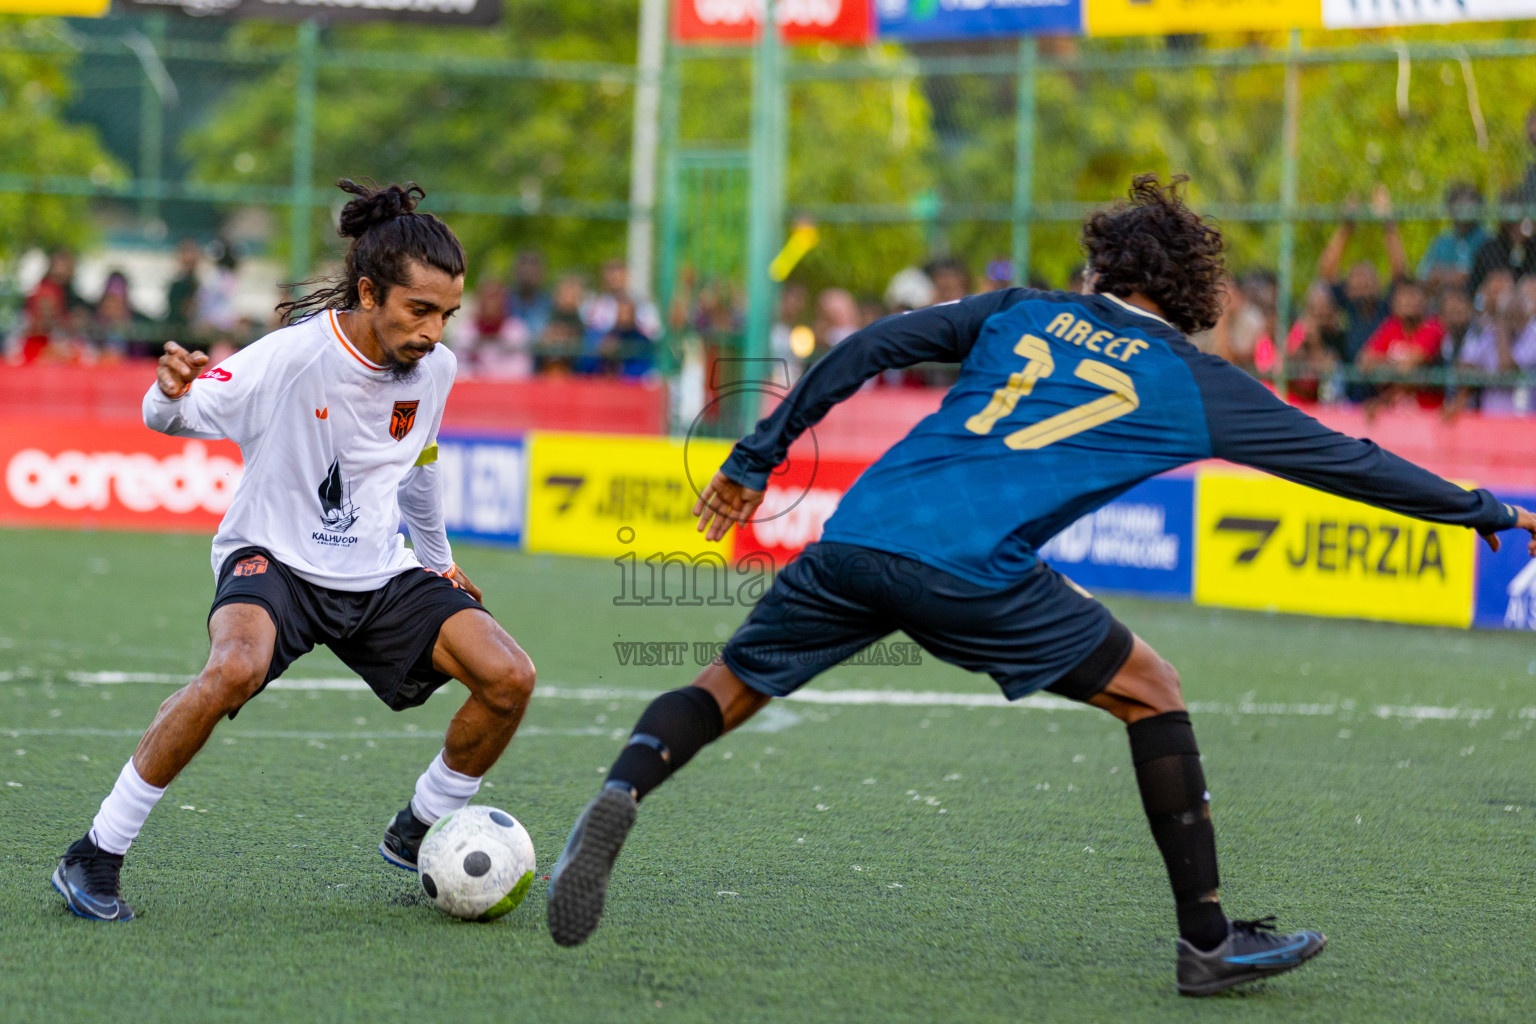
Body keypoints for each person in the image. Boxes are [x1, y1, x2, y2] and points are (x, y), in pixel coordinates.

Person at [544, 174, 1536, 996]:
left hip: (860, 533)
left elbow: (865, 346)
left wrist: (757, 454)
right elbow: (1342, 457)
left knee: (726, 686)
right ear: (1188, 286)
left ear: (1102, 266)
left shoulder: (1021, 312)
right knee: (1154, 689)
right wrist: (1478, 507)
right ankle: (1208, 943)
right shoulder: (1192, 378)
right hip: (974, 570)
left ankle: (626, 785)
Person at [51, 180, 537, 923]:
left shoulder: (433, 370)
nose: (435, 331)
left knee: (509, 677)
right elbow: (170, 413)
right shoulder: (289, 358)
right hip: (272, 561)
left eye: (448, 313)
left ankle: (417, 828)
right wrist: (168, 389)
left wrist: (436, 559)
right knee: (231, 670)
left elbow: (419, 464)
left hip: (377, 572)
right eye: (420, 310)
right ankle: (96, 852)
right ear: (370, 293)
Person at [1356, 278, 1445, 410]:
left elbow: (1410, 365)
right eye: (1403, 296)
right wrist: (1397, 365)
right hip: (1392, 409)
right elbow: (1364, 362)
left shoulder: (1433, 327)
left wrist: (1383, 367)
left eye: (1413, 295)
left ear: (1424, 301)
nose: (1408, 301)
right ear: (1394, 303)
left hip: (1426, 411)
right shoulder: (1391, 326)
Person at [1417, 183, 1489, 292]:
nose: (1464, 210)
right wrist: (1453, 276)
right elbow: (1424, 276)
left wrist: (1441, 274)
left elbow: (1471, 277)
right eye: (1458, 205)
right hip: (1441, 299)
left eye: (1468, 205)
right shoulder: (1442, 241)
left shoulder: (1486, 240)